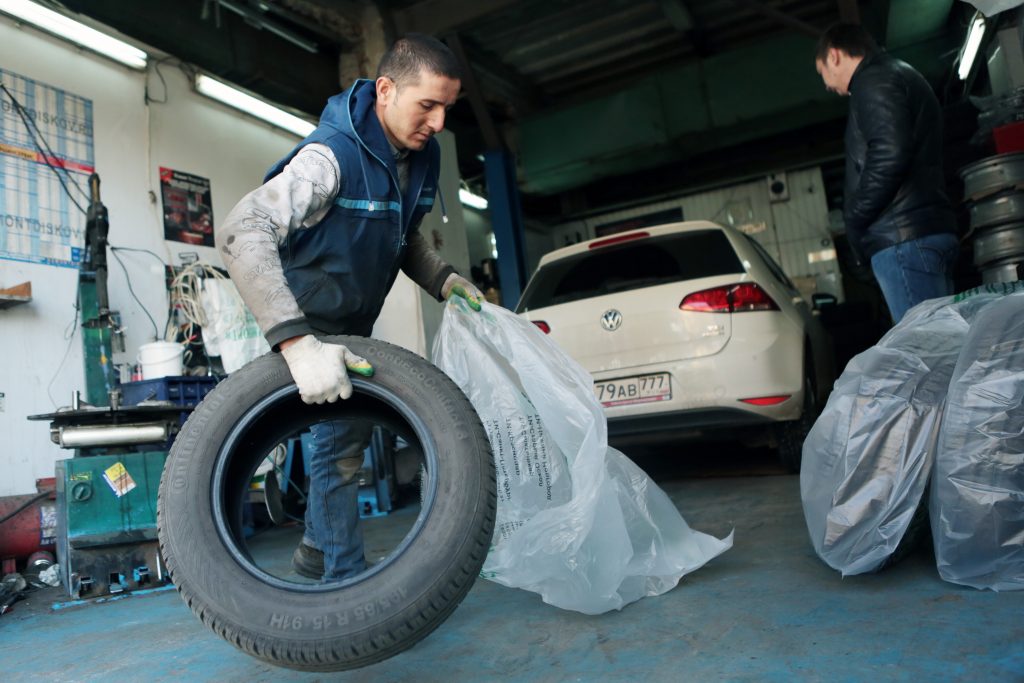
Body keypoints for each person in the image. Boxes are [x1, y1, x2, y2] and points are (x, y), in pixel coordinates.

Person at [216, 34, 483, 581]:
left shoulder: (418, 157)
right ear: (386, 90)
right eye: (426, 105)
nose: (437, 123)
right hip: (298, 324)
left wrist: (443, 278)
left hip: (353, 323)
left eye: (447, 109)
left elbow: (402, 235)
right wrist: (297, 342)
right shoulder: (329, 159)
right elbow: (243, 229)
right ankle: (344, 587)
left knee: (347, 440)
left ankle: (317, 549)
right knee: (337, 454)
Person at [815, 23, 959, 323]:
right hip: (920, 231)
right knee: (945, 345)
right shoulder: (897, 74)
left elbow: (890, 152)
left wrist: (854, 215)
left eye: (822, 73)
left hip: (904, 240)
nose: (827, 84)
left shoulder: (873, 81)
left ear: (834, 55)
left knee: (929, 353)